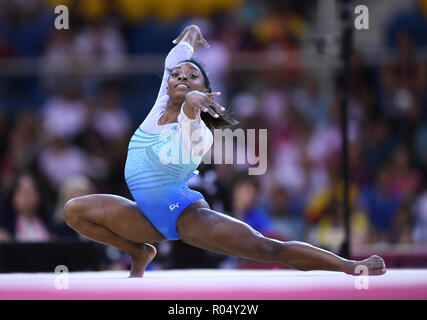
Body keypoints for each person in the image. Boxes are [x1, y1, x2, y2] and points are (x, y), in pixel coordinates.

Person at [64, 25, 386, 278]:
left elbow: (190, 112)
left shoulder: (199, 135)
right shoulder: (164, 98)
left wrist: (193, 103)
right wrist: (192, 31)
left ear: (205, 92)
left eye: (192, 78)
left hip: (184, 215)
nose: (182, 77)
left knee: (268, 248)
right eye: (178, 75)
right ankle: (139, 253)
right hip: (144, 216)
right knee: (74, 212)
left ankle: (348, 266)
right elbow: (180, 53)